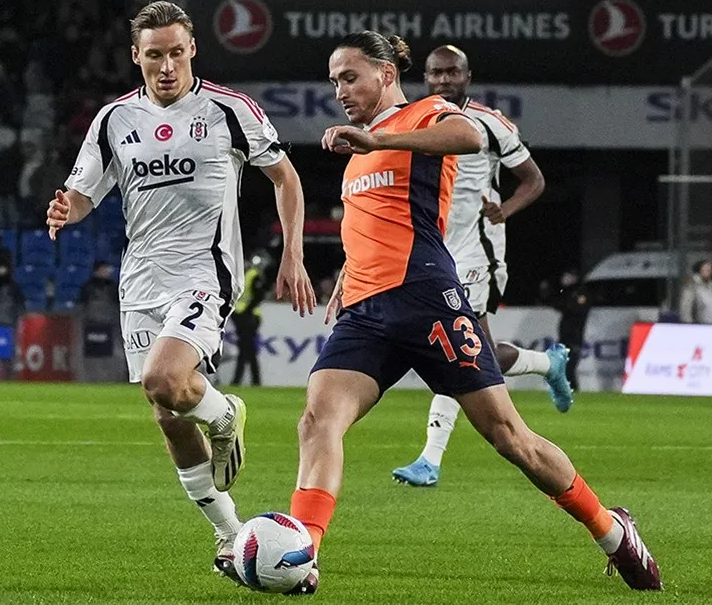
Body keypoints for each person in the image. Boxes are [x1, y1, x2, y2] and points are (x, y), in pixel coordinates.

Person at [282, 31, 660, 595]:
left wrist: (378, 136)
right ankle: (299, 554)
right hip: (365, 310)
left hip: (427, 298)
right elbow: (373, 224)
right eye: (334, 79)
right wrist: (344, 276)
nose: (339, 90)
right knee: (317, 421)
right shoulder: (358, 156)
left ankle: (613, 532)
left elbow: (468, 134)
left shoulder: (426, 114)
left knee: (511, 437)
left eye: (350, 76)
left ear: (386, 75)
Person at [45, 1, 315, 581]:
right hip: (140, 278)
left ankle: (224, 414)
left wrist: (292, 253)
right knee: (167, 411)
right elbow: (87, 191)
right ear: (135, 57)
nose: (165, 65)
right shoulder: (113, 120)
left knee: (164, 381)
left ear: (192, 48)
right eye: (153, 55)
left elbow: (285, 177)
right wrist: (69, 208)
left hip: (203, 271)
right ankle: (227, 532)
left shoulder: (228, 109)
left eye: (175, 52)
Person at [393, 45, 573, 487]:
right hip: (433, 249)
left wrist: (506, 210)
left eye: (452, 71)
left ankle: (430, 459)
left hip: (477, 251)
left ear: (468, 75)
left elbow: (534, 179)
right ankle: (544, 364)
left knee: (458, 346)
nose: (443, 80)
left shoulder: (490, 124)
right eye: (435, 73)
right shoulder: (418, 117)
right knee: (481, 355)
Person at [231, 252, 272, 386]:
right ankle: (255, 380)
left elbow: (257, 296)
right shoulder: (252, 274)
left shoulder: (253, 275)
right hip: (248, 314)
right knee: (249, 350)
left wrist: (246, 311)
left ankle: (238, 380)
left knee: (245, 349)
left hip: (248, 316)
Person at [555, 269, 590, 391]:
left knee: (570, 365)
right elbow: (558, 303)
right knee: (565, 365)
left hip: (574, 335)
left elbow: (576, 308)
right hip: (566, 335)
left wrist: (568, 301)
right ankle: (569, 389)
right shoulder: (568, 292)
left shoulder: (580, 293)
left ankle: (572, 389)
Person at [679, 259, 712, 325]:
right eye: (706, 268)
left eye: (710, 269)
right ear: (699, 270)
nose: (709, 271)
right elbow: (685, 310)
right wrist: (689, 327)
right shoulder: (691, 286)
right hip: (698, 328)